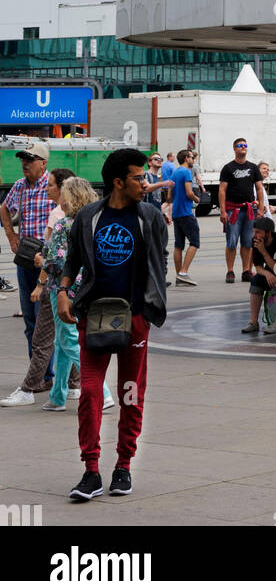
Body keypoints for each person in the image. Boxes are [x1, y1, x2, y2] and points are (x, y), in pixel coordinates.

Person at [59, 148, 168, 502]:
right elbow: (73, 260)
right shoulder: (89, 217)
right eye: (139, 177)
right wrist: (62, 291)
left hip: (135, 318)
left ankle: (123, 466)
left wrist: (152, 303)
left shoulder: (149, 217)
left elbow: (159, 261)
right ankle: (91, 471)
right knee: (90, 393)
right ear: (118, 182)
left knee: (130, 394)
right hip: (95, 316)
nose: (146, 183)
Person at [1, 165, 75, 407]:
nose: (47, 188)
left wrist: (41, 283)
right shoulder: (77, 214)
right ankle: (64, 392)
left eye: (51, 185)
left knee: (43, 337)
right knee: (65, 339)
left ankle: (29, 388)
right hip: (69, 284)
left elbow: (53, 255)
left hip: (54, 285)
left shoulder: (58, 216)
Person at [40, 177, 113, 413]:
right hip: (87, 287)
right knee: (62, 341)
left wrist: (41, 260)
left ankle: (102, 391)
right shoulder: (94, 222)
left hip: (61, 289)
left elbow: (57, 261)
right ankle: (57, 396)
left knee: (69, 340)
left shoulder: (64, 225)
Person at [0, 144, 52, 378]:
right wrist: (11, 236)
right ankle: (38, 373)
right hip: (25, 261)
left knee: (46, 320)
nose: (25, 163)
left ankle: (53, 374)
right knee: (30, 321)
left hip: (49, 261)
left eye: (30, 159)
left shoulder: (53, 185)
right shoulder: (20, 186)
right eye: (23, 159)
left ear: (43, 163)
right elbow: (4, 209)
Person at [219, 137, 266, 284]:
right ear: (234, 149)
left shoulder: (253, 167)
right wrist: (222, 210)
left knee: (247, 242)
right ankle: (230, 271)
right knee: (232, 242)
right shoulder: (228, 168)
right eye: (240, 145)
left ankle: (246, 271)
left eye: (245, 145)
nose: (243, 147)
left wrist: (260, 208)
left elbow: (259, 188)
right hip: (233, 210)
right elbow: (222, 190)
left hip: (250, 210)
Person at [171, 150, 200, 286]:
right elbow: (189, 193)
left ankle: (179, 277)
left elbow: (169, 197)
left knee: (178, 245)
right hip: (186, 212)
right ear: (185, 158)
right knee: (194, 242)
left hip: (176, 212)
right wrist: (196, 198)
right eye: (191, 156)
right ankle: (183, 272)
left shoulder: (175, 173)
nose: (193, 158)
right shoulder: (187, 172)